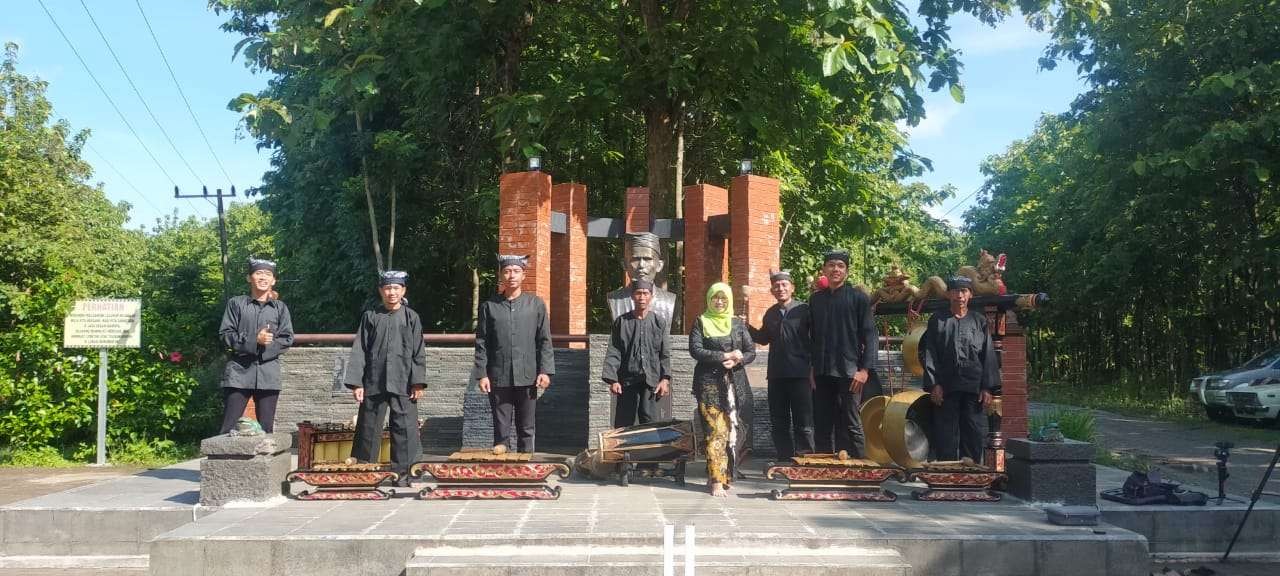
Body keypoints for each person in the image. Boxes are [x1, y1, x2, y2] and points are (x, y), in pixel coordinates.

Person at [344, 270, 426, 484]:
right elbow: (359, 349)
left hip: (404, 381)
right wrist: (357, 383)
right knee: (368, 427)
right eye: (388, 288)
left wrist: (418, 381)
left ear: (403, 290)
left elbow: (419, 351)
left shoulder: (412, 317)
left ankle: (405, 475)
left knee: (405, 428)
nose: (392, 292)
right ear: (381, 290)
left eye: (396, 288)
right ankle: (365, 473)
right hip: (374, 380)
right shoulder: (370, 316)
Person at [473, 255, 555, 454]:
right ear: (500, 275)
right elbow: (482, 343)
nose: (511, 276)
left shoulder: (535, 304)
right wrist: (482, 374)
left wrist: (545, 371)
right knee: (501, 429)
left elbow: (544, 340)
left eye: (516, 271)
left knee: (526, 427)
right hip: (498, 375)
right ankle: (503, 472)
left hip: (528, 375)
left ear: (523, 275)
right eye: (507, 271)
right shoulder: (489, 306)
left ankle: (526, 470)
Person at [809, 249, 877, 457]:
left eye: (840, 266)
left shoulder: (858, 298)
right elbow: (813, 337)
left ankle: (861, 472)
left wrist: (864, 369)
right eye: (831, 265)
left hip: (850, 371)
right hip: (822, 371)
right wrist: (812, 369)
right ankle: (823, 472)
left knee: (851, 422)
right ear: (824, 270)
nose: (835, 269)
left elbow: (870, 335)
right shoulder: (816, 300)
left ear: (846, 271)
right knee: (821, 423)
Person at [688, 283, 755, 497]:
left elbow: (751, 350)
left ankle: (726, 475)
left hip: (735, 384)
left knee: (733, 432)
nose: (719, 302)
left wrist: (738, 359)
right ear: (709, 300)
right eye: (715, 298)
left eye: (723, 298)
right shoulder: (700, 321)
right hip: (709, 384)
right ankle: (716, 479)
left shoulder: (737, 324)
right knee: (715, 430)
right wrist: (724, 356)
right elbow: (696, 350)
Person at [922, 276, 998, 463]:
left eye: (964, 291)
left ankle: (970, 478)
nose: (960, 296)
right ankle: (946, 478)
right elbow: (929, 352)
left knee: (973, 433)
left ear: (970, 295)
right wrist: (934, 385)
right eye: (956, 291)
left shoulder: (978, 321)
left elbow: (987, 354)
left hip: (973, 389)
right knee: (945, 435)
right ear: (949, 294)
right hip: (945, 388)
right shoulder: (938, 320)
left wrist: (987, 388)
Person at [218, 257, 294, 433]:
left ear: (273, 280)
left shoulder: (280, 308)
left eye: (267, 274)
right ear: (249, 278)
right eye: (258, 273)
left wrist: (264, 348)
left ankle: (265, 460)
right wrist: (254, 340)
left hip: (269, 375)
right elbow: (226, 335)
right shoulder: (236, 304)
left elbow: (287, 338)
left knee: (266, 429)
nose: (263, 277)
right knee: (228, 427)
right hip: (238, 373)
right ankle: (225, 460)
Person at [747, 270, 815, 460]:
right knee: (779, 421)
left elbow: (816, 340)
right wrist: (747, 328)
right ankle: (784, 459)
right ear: (772, 290)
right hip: (777, 375)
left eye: (784, 285)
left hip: (801, 375)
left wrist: (813, 368)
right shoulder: (771, 314)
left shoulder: (804, 310)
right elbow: (763, 338)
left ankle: (805, 459)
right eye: (777, 286)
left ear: (792, 288)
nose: (781, 288)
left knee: (804, 421)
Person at [602, 279, 672, 428]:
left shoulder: (659, 322)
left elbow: (664, 353)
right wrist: (613, 379)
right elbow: (614, 351)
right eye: (638, 293)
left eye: (645, 293)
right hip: (627, 381)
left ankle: (650, 452)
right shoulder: (621, 322)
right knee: (624, 423)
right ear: (632, 296)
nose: (642, 297)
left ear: (651, 296)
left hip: (651, 381)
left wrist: (665, 379)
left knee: (651, 423)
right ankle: (624, 452)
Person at [605, 232, 677, 324]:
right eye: (635, 259)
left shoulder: (669, 301)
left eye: (647, 259)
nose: (641, 265)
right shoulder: (614, 299)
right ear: (625, 265)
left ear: (659, 265)